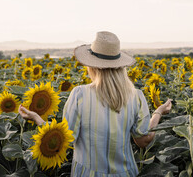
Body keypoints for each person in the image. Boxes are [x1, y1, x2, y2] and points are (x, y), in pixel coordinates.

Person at [19, 31, 172, 177]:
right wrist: (157, 113)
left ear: (92, 65)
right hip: (125, 172)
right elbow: (143, 141)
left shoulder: (80, 95)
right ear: (120, 66)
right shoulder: (136, 96)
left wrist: (38, 119)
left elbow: (66, 139)